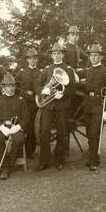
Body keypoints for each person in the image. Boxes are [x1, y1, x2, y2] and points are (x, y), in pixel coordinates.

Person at [34, 43, 77, 171]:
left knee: (62, 133)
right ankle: (44, 161)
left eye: (59, 53)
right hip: (48, 106)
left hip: (62, 106)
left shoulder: (68, 69)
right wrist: (43, 91)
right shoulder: (47, 69)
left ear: (62, 54)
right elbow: (36, 83)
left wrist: (62, 94)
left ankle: (59, 160)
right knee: (44, 133)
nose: (56, 55)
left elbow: (73, 88)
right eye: (54, 53)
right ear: (52, 55)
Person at [75, 44, 106, 171]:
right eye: (91, 56)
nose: (93, 58)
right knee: (89, 133)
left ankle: (94, 161)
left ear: (101, 57)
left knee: (94, 134)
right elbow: (74, 74)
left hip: (99, 106)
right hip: (87, 106)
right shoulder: (87, 71)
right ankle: (94, 158)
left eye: (95, 55)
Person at [0, 73, 29, 180]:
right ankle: (5, 167)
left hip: (16, 127)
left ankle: (7, 166)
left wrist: (17, 127)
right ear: (4, 87)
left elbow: (27, 117)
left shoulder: (20, 100)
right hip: (3, 127)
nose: (11, 88)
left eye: (13, 86)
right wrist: (1, 126)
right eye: (8, 86)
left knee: (19, 139)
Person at [15, 48, 41, 159]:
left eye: (34, 58)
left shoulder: (41, 72)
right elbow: (14, 84)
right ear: (27, 60)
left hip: (36, 104)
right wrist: (22, 93)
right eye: (30, 58)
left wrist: (36, 93)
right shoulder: (21, 72)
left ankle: (30, 151)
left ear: (37, 60)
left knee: (33, 128)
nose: (32, 61)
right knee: (22, 126)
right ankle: (20, 151)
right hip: (23, 103)